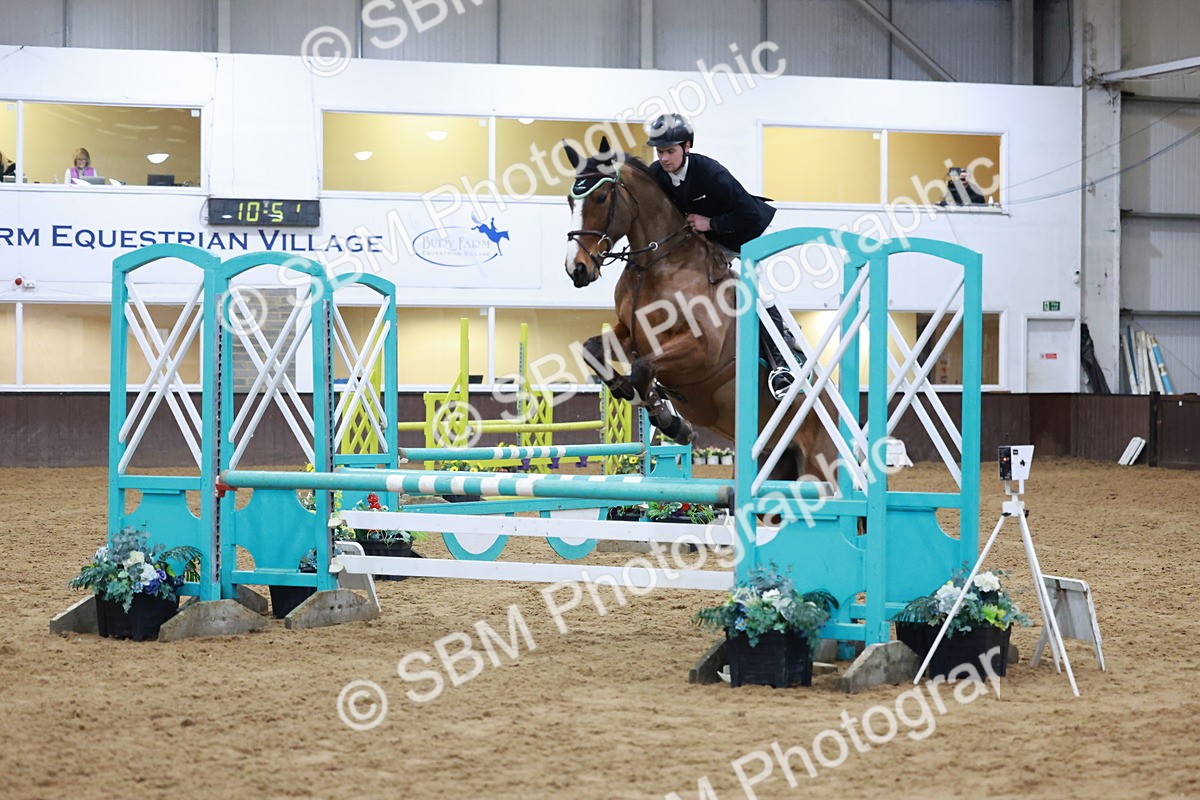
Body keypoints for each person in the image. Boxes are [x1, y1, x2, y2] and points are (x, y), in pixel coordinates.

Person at [644, 112, 801, 400]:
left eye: (670, 151)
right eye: (659, 151)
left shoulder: (711, 173)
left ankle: (783, 365)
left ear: (687, 146)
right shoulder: (658, 174)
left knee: (756, 292)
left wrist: (711, 223)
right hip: (705, 246)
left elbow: (749, 214)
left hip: (744, 237)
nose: (664, 158)